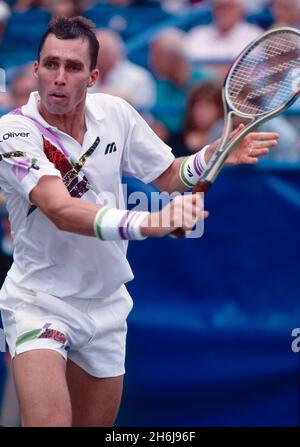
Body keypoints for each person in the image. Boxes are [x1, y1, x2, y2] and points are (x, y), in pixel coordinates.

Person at [0, 16, 278, 427]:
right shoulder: (13, 133)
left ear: (93, 76)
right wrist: (150, 222)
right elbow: (58, 208)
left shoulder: (116, 113)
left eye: (73, 67)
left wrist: (211, 155)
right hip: (39, 300)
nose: (59, 77)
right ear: (36, 68)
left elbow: (167, 174)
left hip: (107, 305)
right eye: (50, 64)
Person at [184, 0, 263, 77]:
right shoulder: (197, 34)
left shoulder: (254, 35)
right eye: (219, 7)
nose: (224, 12)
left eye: (229, 7)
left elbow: (248, 73)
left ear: (241, 10)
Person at [90, 28, 156, 110]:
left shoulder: (139, 77)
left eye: (104, 53)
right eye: (96, 54)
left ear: (117, 52)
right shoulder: (85, 75)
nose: (99, 58)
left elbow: (143, 113)